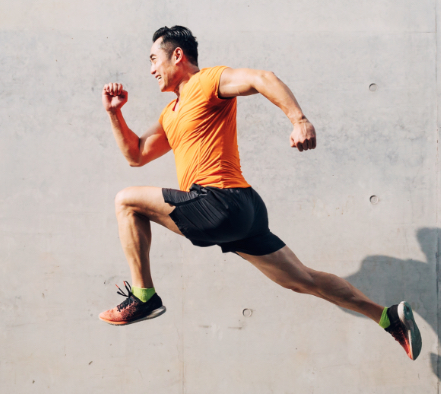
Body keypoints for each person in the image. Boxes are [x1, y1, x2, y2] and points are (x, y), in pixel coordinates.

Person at [100, 25, 422, 361]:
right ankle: (388, 317)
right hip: (244, 210)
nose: (151, 69)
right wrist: (114, 113)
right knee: (303, 280)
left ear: (177, 55)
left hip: (219, 202)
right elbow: (136, 154)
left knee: (126, 201)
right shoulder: (171, 114)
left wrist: (299, 120)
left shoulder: (207, 82)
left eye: (154, 59)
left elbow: (261, 78)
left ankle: (144, 297)